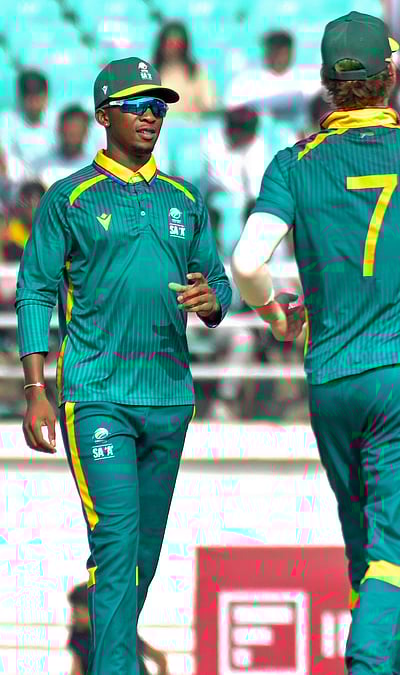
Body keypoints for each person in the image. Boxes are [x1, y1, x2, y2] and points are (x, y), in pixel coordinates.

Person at [229, 12, 400, 674]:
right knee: (394, 543)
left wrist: (273, 314)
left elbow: (243, 263)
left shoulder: (294, 163)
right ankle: (370, 661)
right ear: (391, 76)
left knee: (364, 540)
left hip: (331, 376)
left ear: (326, 83)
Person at [16, 57, 228, 675]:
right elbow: (34, 290)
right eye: (138, 106)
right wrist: (35, 389)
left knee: (142, 553)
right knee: (114, 546)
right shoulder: (71, 198)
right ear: (104, 115)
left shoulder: (184, 197)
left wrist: (215, 301)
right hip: (98, 394)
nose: (151, 118)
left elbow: (216, 282)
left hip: (169, 395)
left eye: (159, 107)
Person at [66, 582, 169, 675]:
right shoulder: (78, 635)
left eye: (77, 611)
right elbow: (77, 668)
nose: (73, 617)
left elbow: (160, 659)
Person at [152, 21, 218, 113]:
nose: (174, 48)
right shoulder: (149, 73)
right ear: (162, 45)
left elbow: (209, 104)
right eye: (170, 43)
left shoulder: (196, 73)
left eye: (178, 44)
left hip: (191, 124)